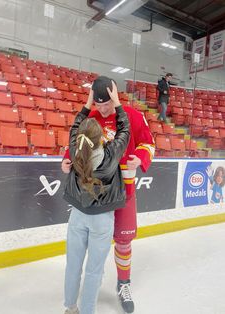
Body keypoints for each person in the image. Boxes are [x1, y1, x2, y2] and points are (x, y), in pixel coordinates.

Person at [62, 76, 155, 314]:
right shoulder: (92, 117)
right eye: (98, 105)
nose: (102, 109)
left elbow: (149, 143)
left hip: (124, 192)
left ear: (115, 96)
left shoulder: (133, 116)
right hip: (96, 196)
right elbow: (75, 144)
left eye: (106, 104)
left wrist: (141, 158)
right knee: (91, 257)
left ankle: (123, 283)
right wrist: (66, 159)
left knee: (123, 242)